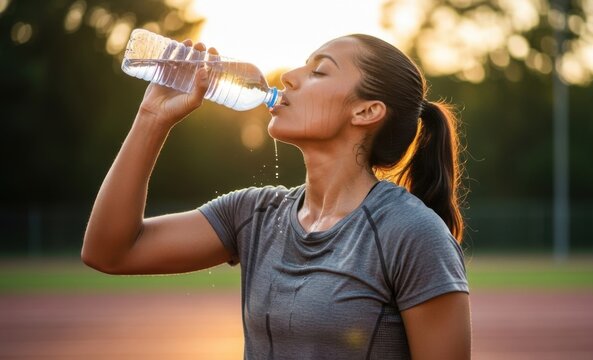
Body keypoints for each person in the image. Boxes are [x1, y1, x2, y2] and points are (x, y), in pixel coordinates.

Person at [82, 33, 471, 359]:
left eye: (319, 71)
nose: (287, 76)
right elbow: (110, 252)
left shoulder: (411, 233)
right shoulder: (255, 213)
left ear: (366, 111)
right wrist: (152, 117)